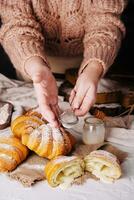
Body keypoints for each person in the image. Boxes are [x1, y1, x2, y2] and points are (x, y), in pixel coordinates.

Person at [0, 0, 127, 127]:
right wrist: (35, 66)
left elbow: (105, 22)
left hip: (90, 64)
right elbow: (16, 24)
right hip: (32, 65)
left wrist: (93, 69)